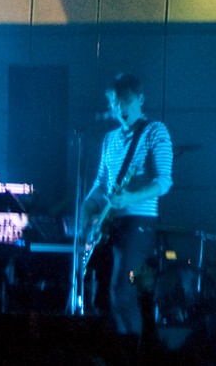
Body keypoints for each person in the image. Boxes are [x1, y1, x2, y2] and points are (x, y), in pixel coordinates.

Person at [83, 73, 174, 342]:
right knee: (105, 295)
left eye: (126, 101)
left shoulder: (155, 131)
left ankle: (134, 352)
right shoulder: (110, 139)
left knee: (124, 290)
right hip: (113, 225)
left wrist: (130, 198)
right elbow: (101, 182)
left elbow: (164, 182)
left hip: (140, 224)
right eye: (115, 102)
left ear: (140, 100)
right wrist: (88, 206)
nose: (121, 109)